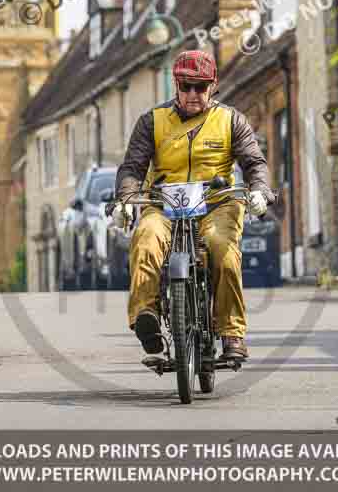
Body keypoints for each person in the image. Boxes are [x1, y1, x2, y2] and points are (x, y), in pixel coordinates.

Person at [113, 50, 275, 361]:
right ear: (175, 85)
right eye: (185, 86)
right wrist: (126, 199)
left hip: (217, 204)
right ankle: (146, 318)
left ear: (213, 85)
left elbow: (255, 163)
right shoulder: (152, 122)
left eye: (200, 87)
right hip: (164, 203)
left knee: (222, 249)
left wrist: (259, 191)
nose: (192, 94)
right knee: (145, 240)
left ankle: (231, 333)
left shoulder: (231, 121)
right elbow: (132, 168)